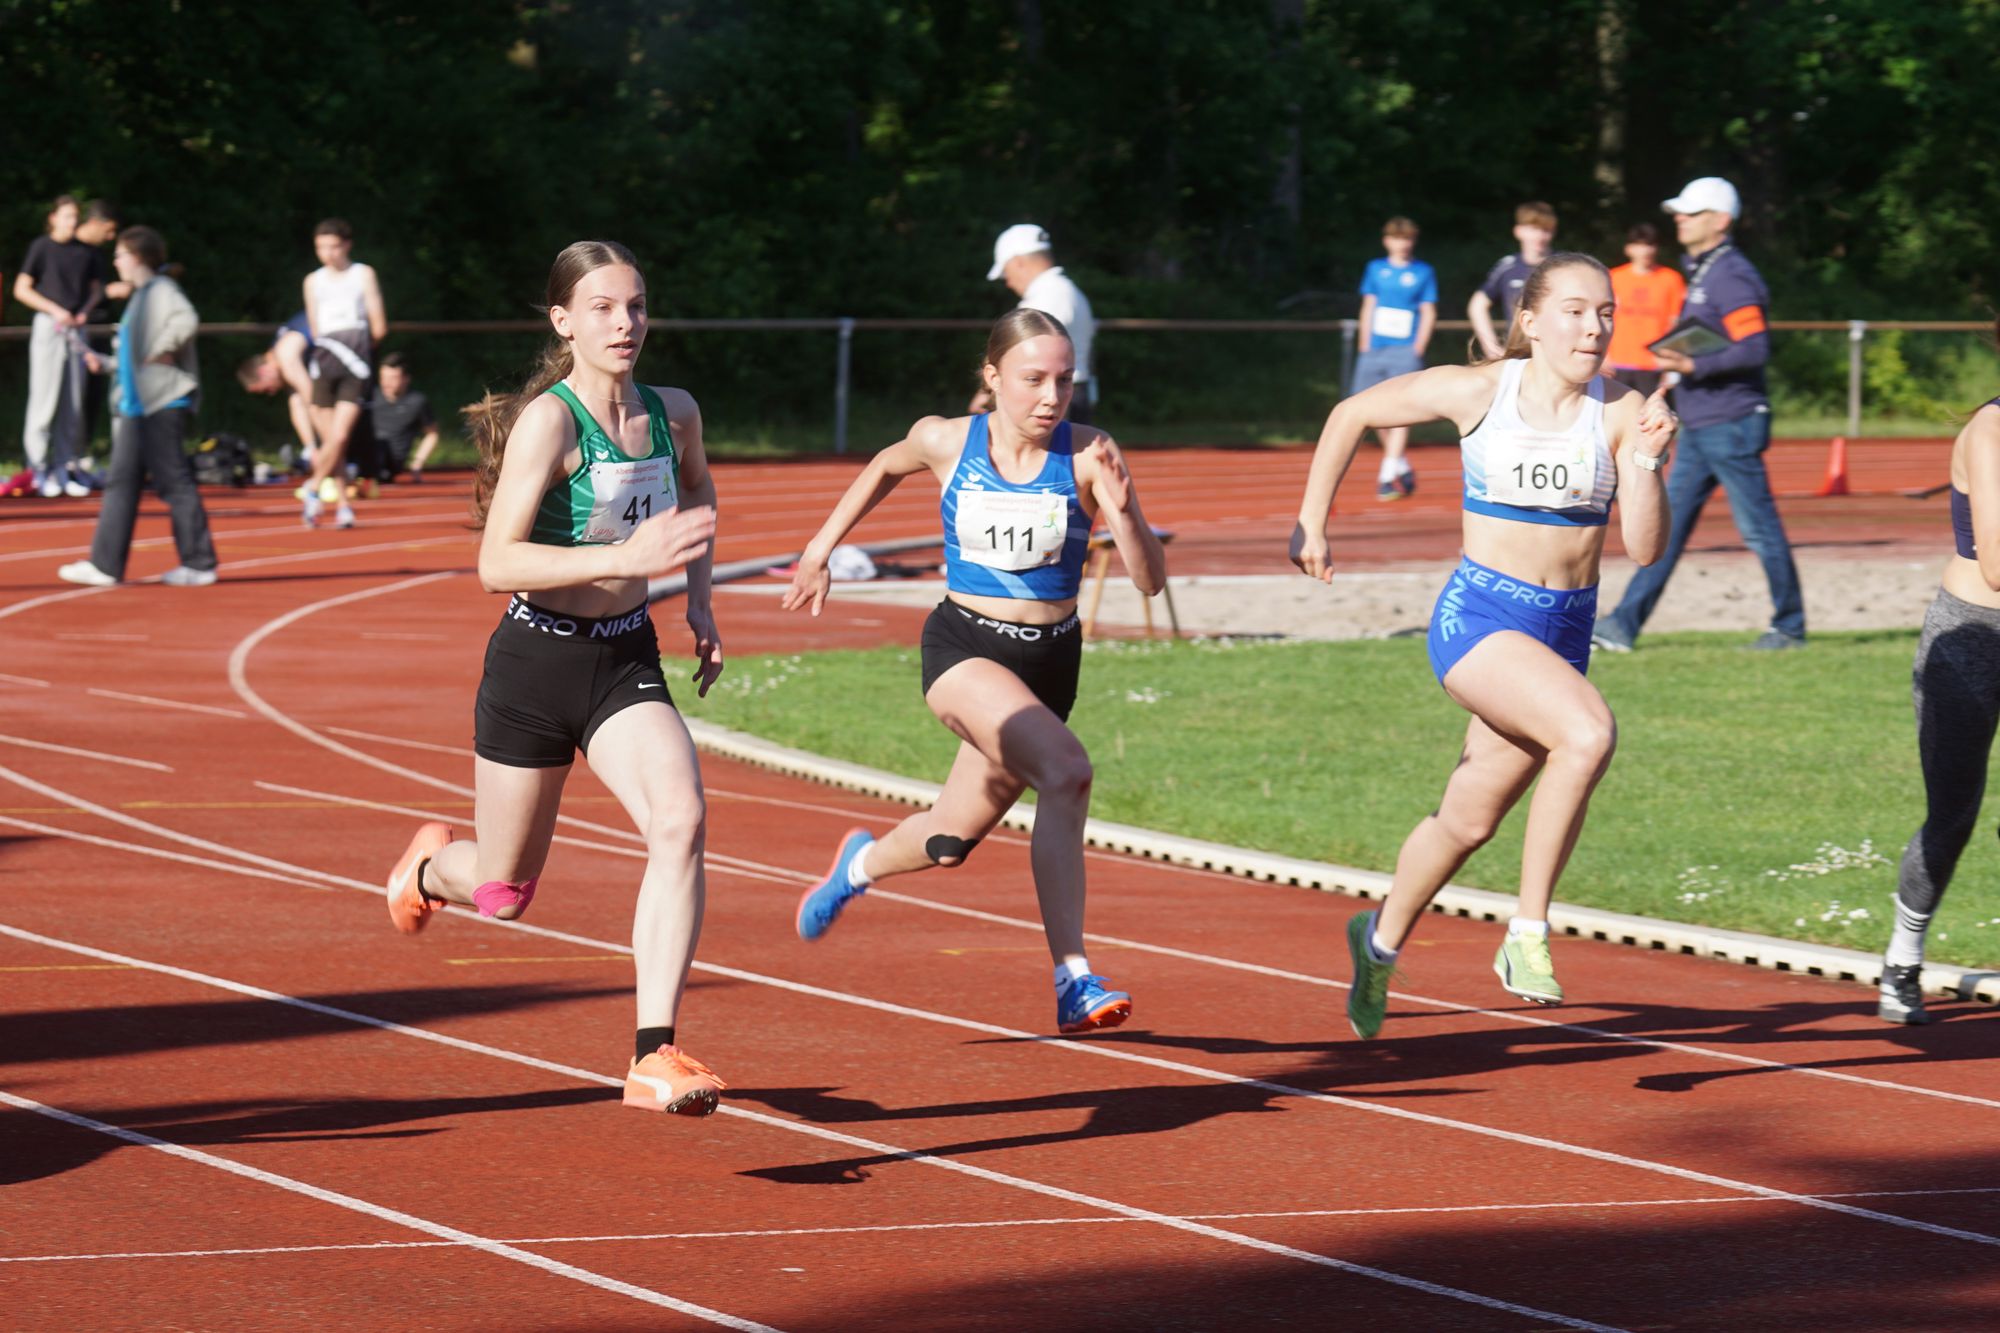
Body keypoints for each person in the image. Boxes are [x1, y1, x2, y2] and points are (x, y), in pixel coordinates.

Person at [382, 240, 728, 1117]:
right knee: (503, 892)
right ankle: (428, 870)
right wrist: (625, 554)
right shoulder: (551, 422)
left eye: (636, 305)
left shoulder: (675, 411)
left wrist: (699, 602)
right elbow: (495, 563)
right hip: (536, 662)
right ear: (563, 321)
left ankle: (653, 1054)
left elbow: (698, 495)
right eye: (603, 308)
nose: (625, 323)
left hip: (624, 657)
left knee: (682, 819)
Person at [1290, 253, 1677, 1038]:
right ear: (1530, 320)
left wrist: (1645, 459)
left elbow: (1644, 548)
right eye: (1575, 310)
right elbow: (1351, 413)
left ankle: (1378, 941)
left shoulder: (1621, 409)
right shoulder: (1480, 391)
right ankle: (1527, 932)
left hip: (1562, 635)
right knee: (1587, 733)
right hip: (1480, 619)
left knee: (1467, 822)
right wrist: (1311, 523)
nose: (1594, 327)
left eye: (1605, 313)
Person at [787, 308, 1166, 1034]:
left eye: (1065, 380)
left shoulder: (1091, 453)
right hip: (964, 649)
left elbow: (1149, 581)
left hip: (1049, 665)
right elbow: (883, 465)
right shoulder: (946, 440)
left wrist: (1125, 516)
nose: (1052, 397)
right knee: (1067, 772)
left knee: (948, 841)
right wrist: (818, 549)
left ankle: (857, 867)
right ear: (992, 376)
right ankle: (1073, 977)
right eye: (1033, 380)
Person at [1592, 177, 1805, 652]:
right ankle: (1622, 624)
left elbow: (1754, 348)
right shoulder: (1705, 271)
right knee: (1664, 527)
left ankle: (1790, 627)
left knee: (1759, 529)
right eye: (1680, 213)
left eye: (1692, 213)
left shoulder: (1730, 275)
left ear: (1721, 220)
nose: (1681, 220)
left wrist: (1692, 365)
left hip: (1730, 422)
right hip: (1705, 420)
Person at [1880, 383, 2000, 1024]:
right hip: (1973, 639)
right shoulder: (1991, 429)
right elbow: (1997, 564)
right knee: (1953, 814)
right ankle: (1903, 957)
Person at [56, 226, 218, 589]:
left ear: (137, 257)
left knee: (174, 481)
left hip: (161, 402)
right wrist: (107, 364)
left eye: (119, 255)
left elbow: (186, 320)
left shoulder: (161, 290)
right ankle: (105, 565)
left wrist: (161, 348)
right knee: (121, 484)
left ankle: (199, 563)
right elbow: (134, 356)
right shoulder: (142, 296)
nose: (115, 262)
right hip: (136, 407)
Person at [298, 218, 386, 527]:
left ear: (347, 245)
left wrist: (357, 349)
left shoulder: (363, 274)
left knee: (340, 435)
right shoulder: (312, 281)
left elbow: (379, 325)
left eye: (334, 246)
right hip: (324, 360)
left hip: (355, 362)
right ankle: (343, 505)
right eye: (321, 247)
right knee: (330, 441)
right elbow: (314, 326)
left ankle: (312, 487)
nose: (328, 253)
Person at [15, 195, 103, 498]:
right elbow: (22, 289)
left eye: (75, 216)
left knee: (73, 402)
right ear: (53, 218)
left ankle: (65, 467)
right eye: (66, 216)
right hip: (49, 327)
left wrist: (84, 312)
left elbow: (96, 289)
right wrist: (54, 310)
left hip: (77, 330)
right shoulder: (41, 248)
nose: (71, 222)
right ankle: (37, 468)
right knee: (44, 399)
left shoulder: (87, 252)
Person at [1351, 216, 1438, 500]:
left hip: (1405, 349)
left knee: (1402, 410)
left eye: (1408, 238)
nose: (1403, 244)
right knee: (1370, 408)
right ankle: (1400, 462)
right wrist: (1364, 343)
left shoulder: (1423, 271)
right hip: (1374, 348)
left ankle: (1387, 475)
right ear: (1387, 240)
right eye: (1397, 238)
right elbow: (1368, 305)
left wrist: (1418, 346)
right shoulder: (1375, 269)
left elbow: (1428, 310)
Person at [975, 224, 1097, 424]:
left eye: (1006, 272)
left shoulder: (1045, 299)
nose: (1008, 282)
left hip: (1054, 397)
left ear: (1018, 263)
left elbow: (1021, 355)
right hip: (1071, 391)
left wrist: (987, 392)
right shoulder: (1070, 292)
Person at [1604, 223, 1687, 398]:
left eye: (1650, 245)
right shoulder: (1613, 277)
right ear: (1628, 249)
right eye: (1639, 245)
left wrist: (1671, 366)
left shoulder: (1671, 279)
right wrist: (1603, 355)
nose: (1645, 251)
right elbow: (1603, 318)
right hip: (1617, 362)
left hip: (1654, 364)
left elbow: (1675, 323)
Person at [1467, 202, 1557, 362]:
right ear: (1518, 231)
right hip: (1518, 357)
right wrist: (1492, 349)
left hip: (1556, 354)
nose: (1539, 236)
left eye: (1545, 230)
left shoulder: (1563, 266)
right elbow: (1477, 305)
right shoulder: (1507, 267)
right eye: (1533, 229)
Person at [235, 311, 321, 465]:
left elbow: (313, 399)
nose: (272, 392)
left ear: (263, 372)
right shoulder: (280, 352)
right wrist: (311, 448)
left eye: (266, 389)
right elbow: (297, 403)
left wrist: (327, 444)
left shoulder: (285, 356)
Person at [357, 351, 440, 482]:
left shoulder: (417, 402)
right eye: (383, 377)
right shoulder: (370, 397)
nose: (386, 383)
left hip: (390, 463)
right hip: (364, 454)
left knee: (381, 448)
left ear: (406, 379)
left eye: (393, 378)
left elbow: (432, 434)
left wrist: (417, 463)